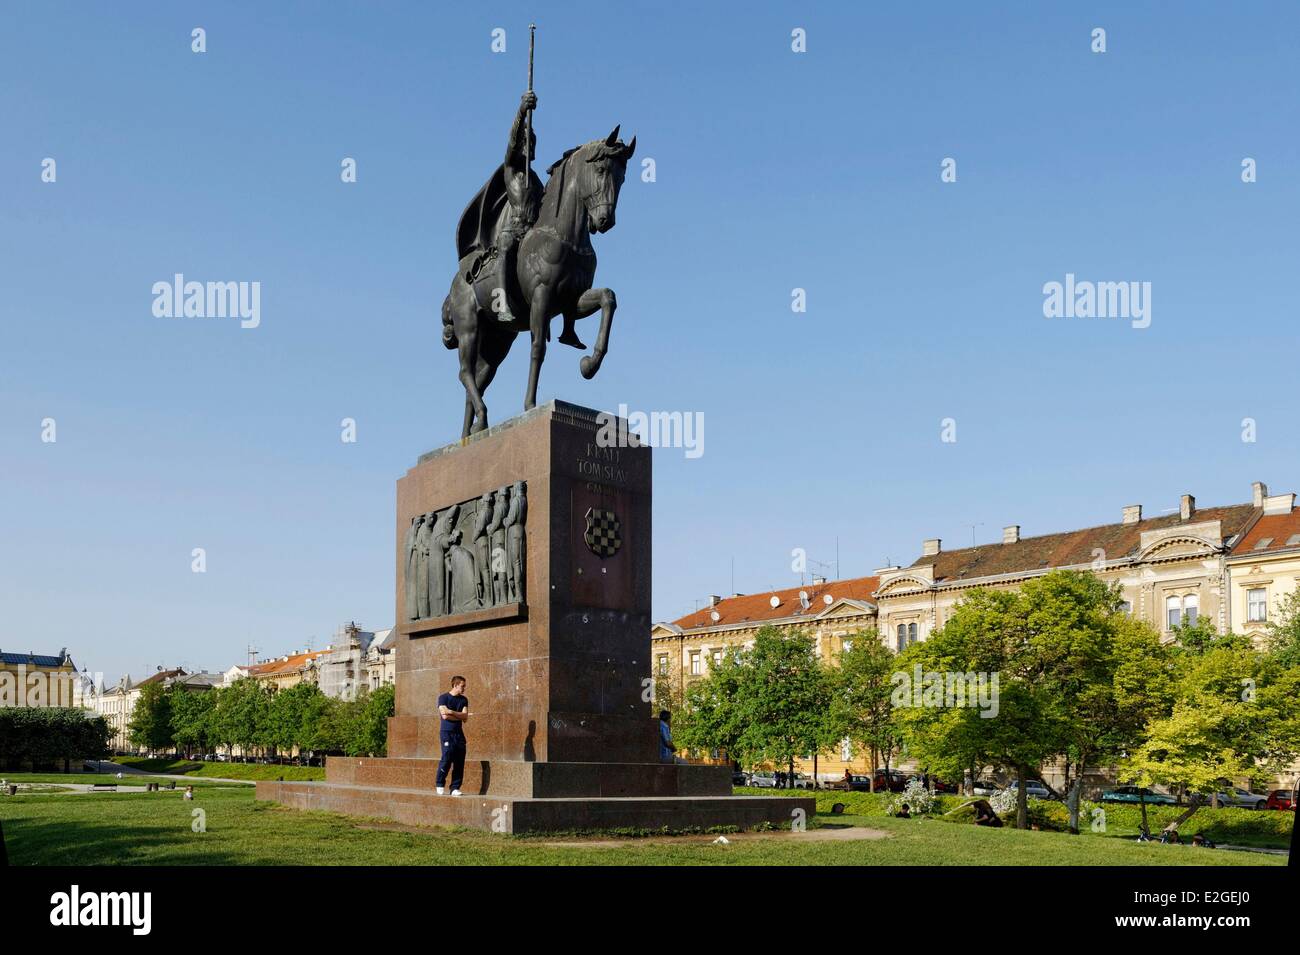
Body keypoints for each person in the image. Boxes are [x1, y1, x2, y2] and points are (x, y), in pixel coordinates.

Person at [436, 676, 470, 795]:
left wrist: (451, 711)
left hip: (459, 734)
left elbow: (465, 717)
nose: (464, 688)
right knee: (447, 757)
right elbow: (444, 716)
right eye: (462, 686)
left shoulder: (463, 700)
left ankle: (455, 788)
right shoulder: (443, 698)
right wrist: (458, 715)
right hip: (446, 733)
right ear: (455, 685)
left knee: (459, 760)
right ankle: (440, 783)